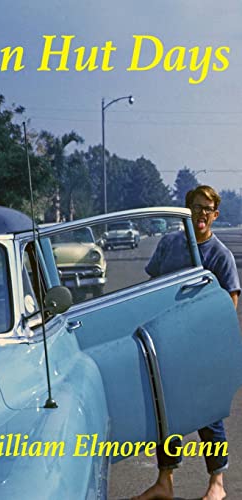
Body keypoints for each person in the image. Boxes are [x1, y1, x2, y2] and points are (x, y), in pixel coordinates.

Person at [133, 185, 240, 500]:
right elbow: (151, 287)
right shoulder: (169, 244)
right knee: (167, 414)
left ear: (216, 215)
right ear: (185, 211)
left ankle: (216, 485)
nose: (201, 214)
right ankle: (164, 481)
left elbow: (230, 301)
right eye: (195, 207)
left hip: (203, 349)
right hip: (166, 344)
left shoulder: (220, 255)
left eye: (207, 209)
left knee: (208, 416)